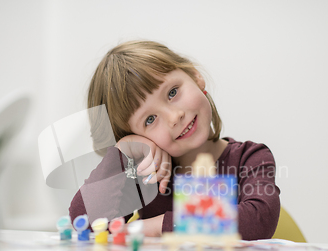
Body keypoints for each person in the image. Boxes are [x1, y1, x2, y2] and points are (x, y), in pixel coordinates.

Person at [69, 40, 280, 239]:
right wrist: (122, 152)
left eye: (172, 92)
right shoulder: (146, 177)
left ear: (195, 76)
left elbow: (258, 220)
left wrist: (155, 226)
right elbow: (85, 224)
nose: (174, 117)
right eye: (150, 119)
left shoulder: (250, 158)